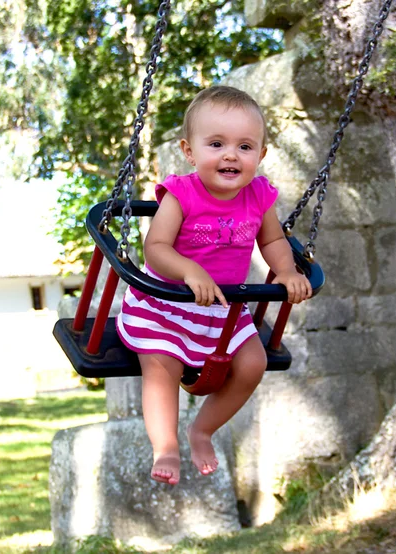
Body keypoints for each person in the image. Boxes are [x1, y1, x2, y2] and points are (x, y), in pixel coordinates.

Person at [116, 85, 312, 485]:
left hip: (223, 308)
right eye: (217, 143)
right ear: (190, 151)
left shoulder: (259, 195)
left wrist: (287, 272)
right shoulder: (181, 193)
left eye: (244, 146)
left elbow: (273, 241)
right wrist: (189, 270)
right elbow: (155, 248)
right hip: (165, 305)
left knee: (253, 363)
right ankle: (166, 445)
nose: (230, 155)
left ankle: (202, 430)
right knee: (161, 366)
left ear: (261, 155)